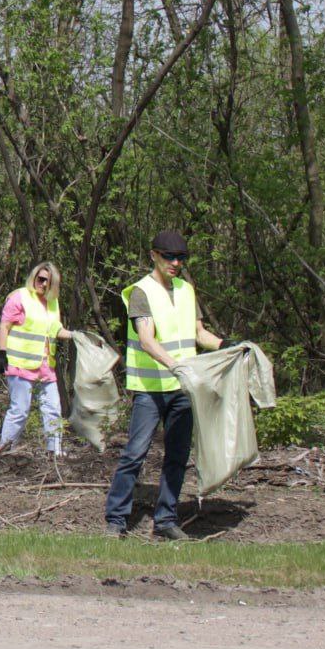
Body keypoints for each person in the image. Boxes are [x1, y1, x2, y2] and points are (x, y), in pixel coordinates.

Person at [104, 231, 238, 541]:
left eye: (181, 258)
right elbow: (147, 340)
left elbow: (198, 334)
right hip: (151, 389)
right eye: (169, 257)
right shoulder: (140, 291)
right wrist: (175, 365)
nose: (176, 263)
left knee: (177, 457)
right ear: (154, 255)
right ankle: (116, 520)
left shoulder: (187, 291)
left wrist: (226, 344)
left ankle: (165, 520)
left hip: (183, 390)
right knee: (134, 454)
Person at [0, 261, 75, 457]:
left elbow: (55, 329)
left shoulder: (52, 302)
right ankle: (3, 449)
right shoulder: (20, 297)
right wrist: (1, 353)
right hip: (21, 364)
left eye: (48, 281)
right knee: (20, 410)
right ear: (34, 277)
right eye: (41, 279)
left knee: (53, 408)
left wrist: (76, 336)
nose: (44, 284)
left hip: (46, 366)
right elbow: (4, 327)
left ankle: (55, 452)